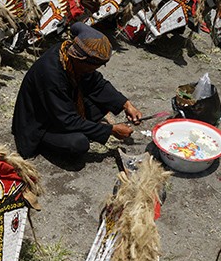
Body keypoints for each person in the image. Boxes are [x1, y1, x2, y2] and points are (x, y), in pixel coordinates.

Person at [12, 22, 142, 159]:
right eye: (94, 67)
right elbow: (67, 120)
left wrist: (126, 105)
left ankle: (88, 127)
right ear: (81, 60)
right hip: (41, 123)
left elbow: (97, 83)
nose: (94, 70)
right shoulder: (51, 74)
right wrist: (111, 130)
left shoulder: (69, 54)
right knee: (78, 144)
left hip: (60, 109)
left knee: (103, 104)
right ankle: (44, 144)